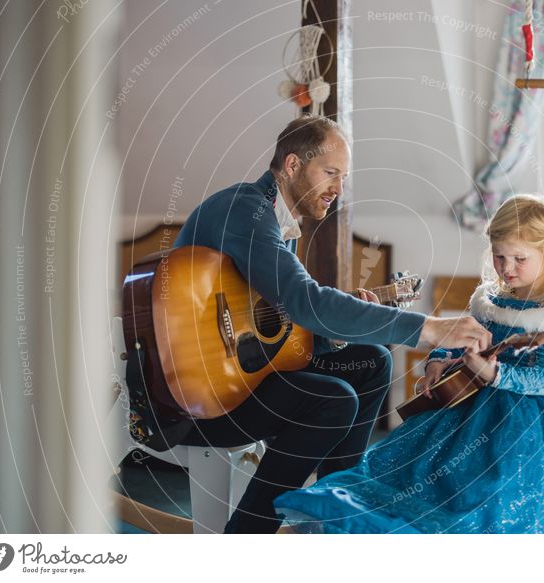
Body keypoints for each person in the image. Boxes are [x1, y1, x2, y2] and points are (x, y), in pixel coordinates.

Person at [171, 114, 492, 534]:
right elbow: (306, 302)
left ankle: (334, 516)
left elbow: (278, 330)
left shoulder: (275, 222)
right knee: (335, 399)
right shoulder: (244, 211)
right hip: (196, 393)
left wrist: (333, 336)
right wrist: (427, 328)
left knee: (371, 361)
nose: (339, 190)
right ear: (291, 166)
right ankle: (248, 536)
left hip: (234, 373)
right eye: (331, 173)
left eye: (343, 177)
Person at [274, 194, 544, 533]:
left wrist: (494, 373)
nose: (507, 268)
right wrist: (438, 359)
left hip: (531, 423)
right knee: (409, 464)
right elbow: (460, 340)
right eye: (500, 256)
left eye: (519, 258)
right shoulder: (493, 302)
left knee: (487, 492)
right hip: (470, 406)